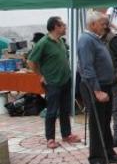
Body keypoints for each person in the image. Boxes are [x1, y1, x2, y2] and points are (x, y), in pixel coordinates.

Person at [78, 12, 117, 164]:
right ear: (92, 25)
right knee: (97, 123)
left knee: (105, 122)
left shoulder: (95, 39)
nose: (105, 26)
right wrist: (97, 91)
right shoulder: (86, 40)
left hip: (105, 85)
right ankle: (96, 159)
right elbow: (86, 67)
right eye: (102, 23)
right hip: (95, 87)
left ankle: (108, 152)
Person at [27, 16, 81, 149]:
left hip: (65, 80)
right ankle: (50, 138)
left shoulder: (60, 41)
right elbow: (30, 61)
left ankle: (66, 135)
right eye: (63, 25)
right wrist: (41, 75)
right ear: (56, 27)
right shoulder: (43, 43)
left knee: (65, 110)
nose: (65, 27)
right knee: (52, 111)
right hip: (52, 82)